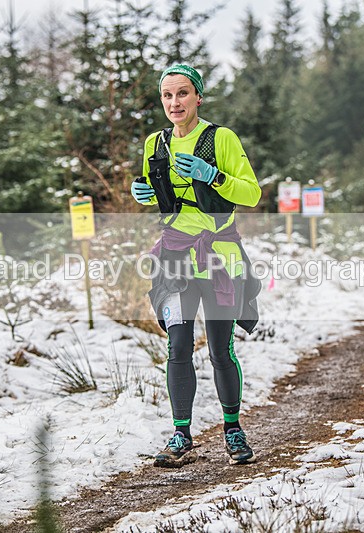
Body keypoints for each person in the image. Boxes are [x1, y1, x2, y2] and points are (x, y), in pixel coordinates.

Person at [130, 64, 262, 467]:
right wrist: (145, 194)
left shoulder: (220, 138)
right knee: (178, 347)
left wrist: (214, 175)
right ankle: (180, 435)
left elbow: (251, 193)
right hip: (175, 259)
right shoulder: (156, 142)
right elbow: (164, 195)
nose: (175, 102)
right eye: (167, 95)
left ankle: (233, 430)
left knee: (221, 350)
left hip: (220, 257)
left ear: (198, 97)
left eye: (183, 93)